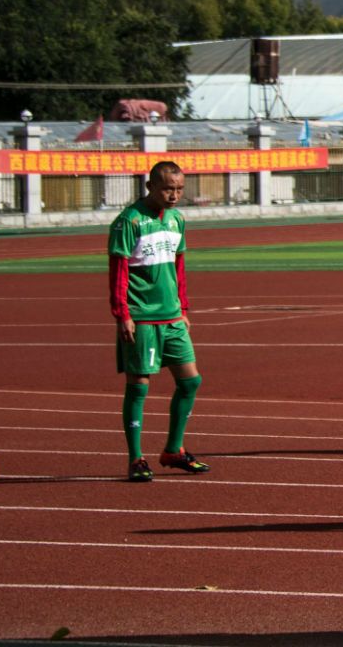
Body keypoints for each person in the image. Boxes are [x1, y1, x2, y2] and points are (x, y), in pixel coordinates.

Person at [109, 161, 210, 483]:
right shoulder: (130, 221)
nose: (174, 195)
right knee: (139, 386)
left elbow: (179, 266)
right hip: (141, 316)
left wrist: (183, 307)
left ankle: (173, 450)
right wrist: (123, 314)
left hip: (172, 315)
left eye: (179, 189)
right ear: (150, 185)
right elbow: (118, 271)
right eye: (168, 188)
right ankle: (135, 458)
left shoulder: (177, 220)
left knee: (190, 381)